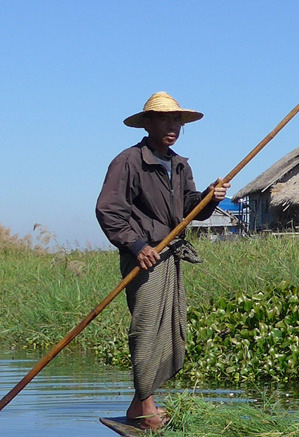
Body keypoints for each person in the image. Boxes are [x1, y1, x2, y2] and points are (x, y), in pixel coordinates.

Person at [96, 91, 230, 430]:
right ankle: (145, 411)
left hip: (170, 257)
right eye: (164, 120)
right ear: (149, 123)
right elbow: (109, 210)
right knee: (147, 331)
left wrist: (208, 199)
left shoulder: (181, 164)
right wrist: (137, 245)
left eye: (176, 121)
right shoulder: (129, 161)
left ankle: (139, 408)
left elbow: (188, 210)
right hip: (145, 261)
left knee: (169, 331)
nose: (172, 127)